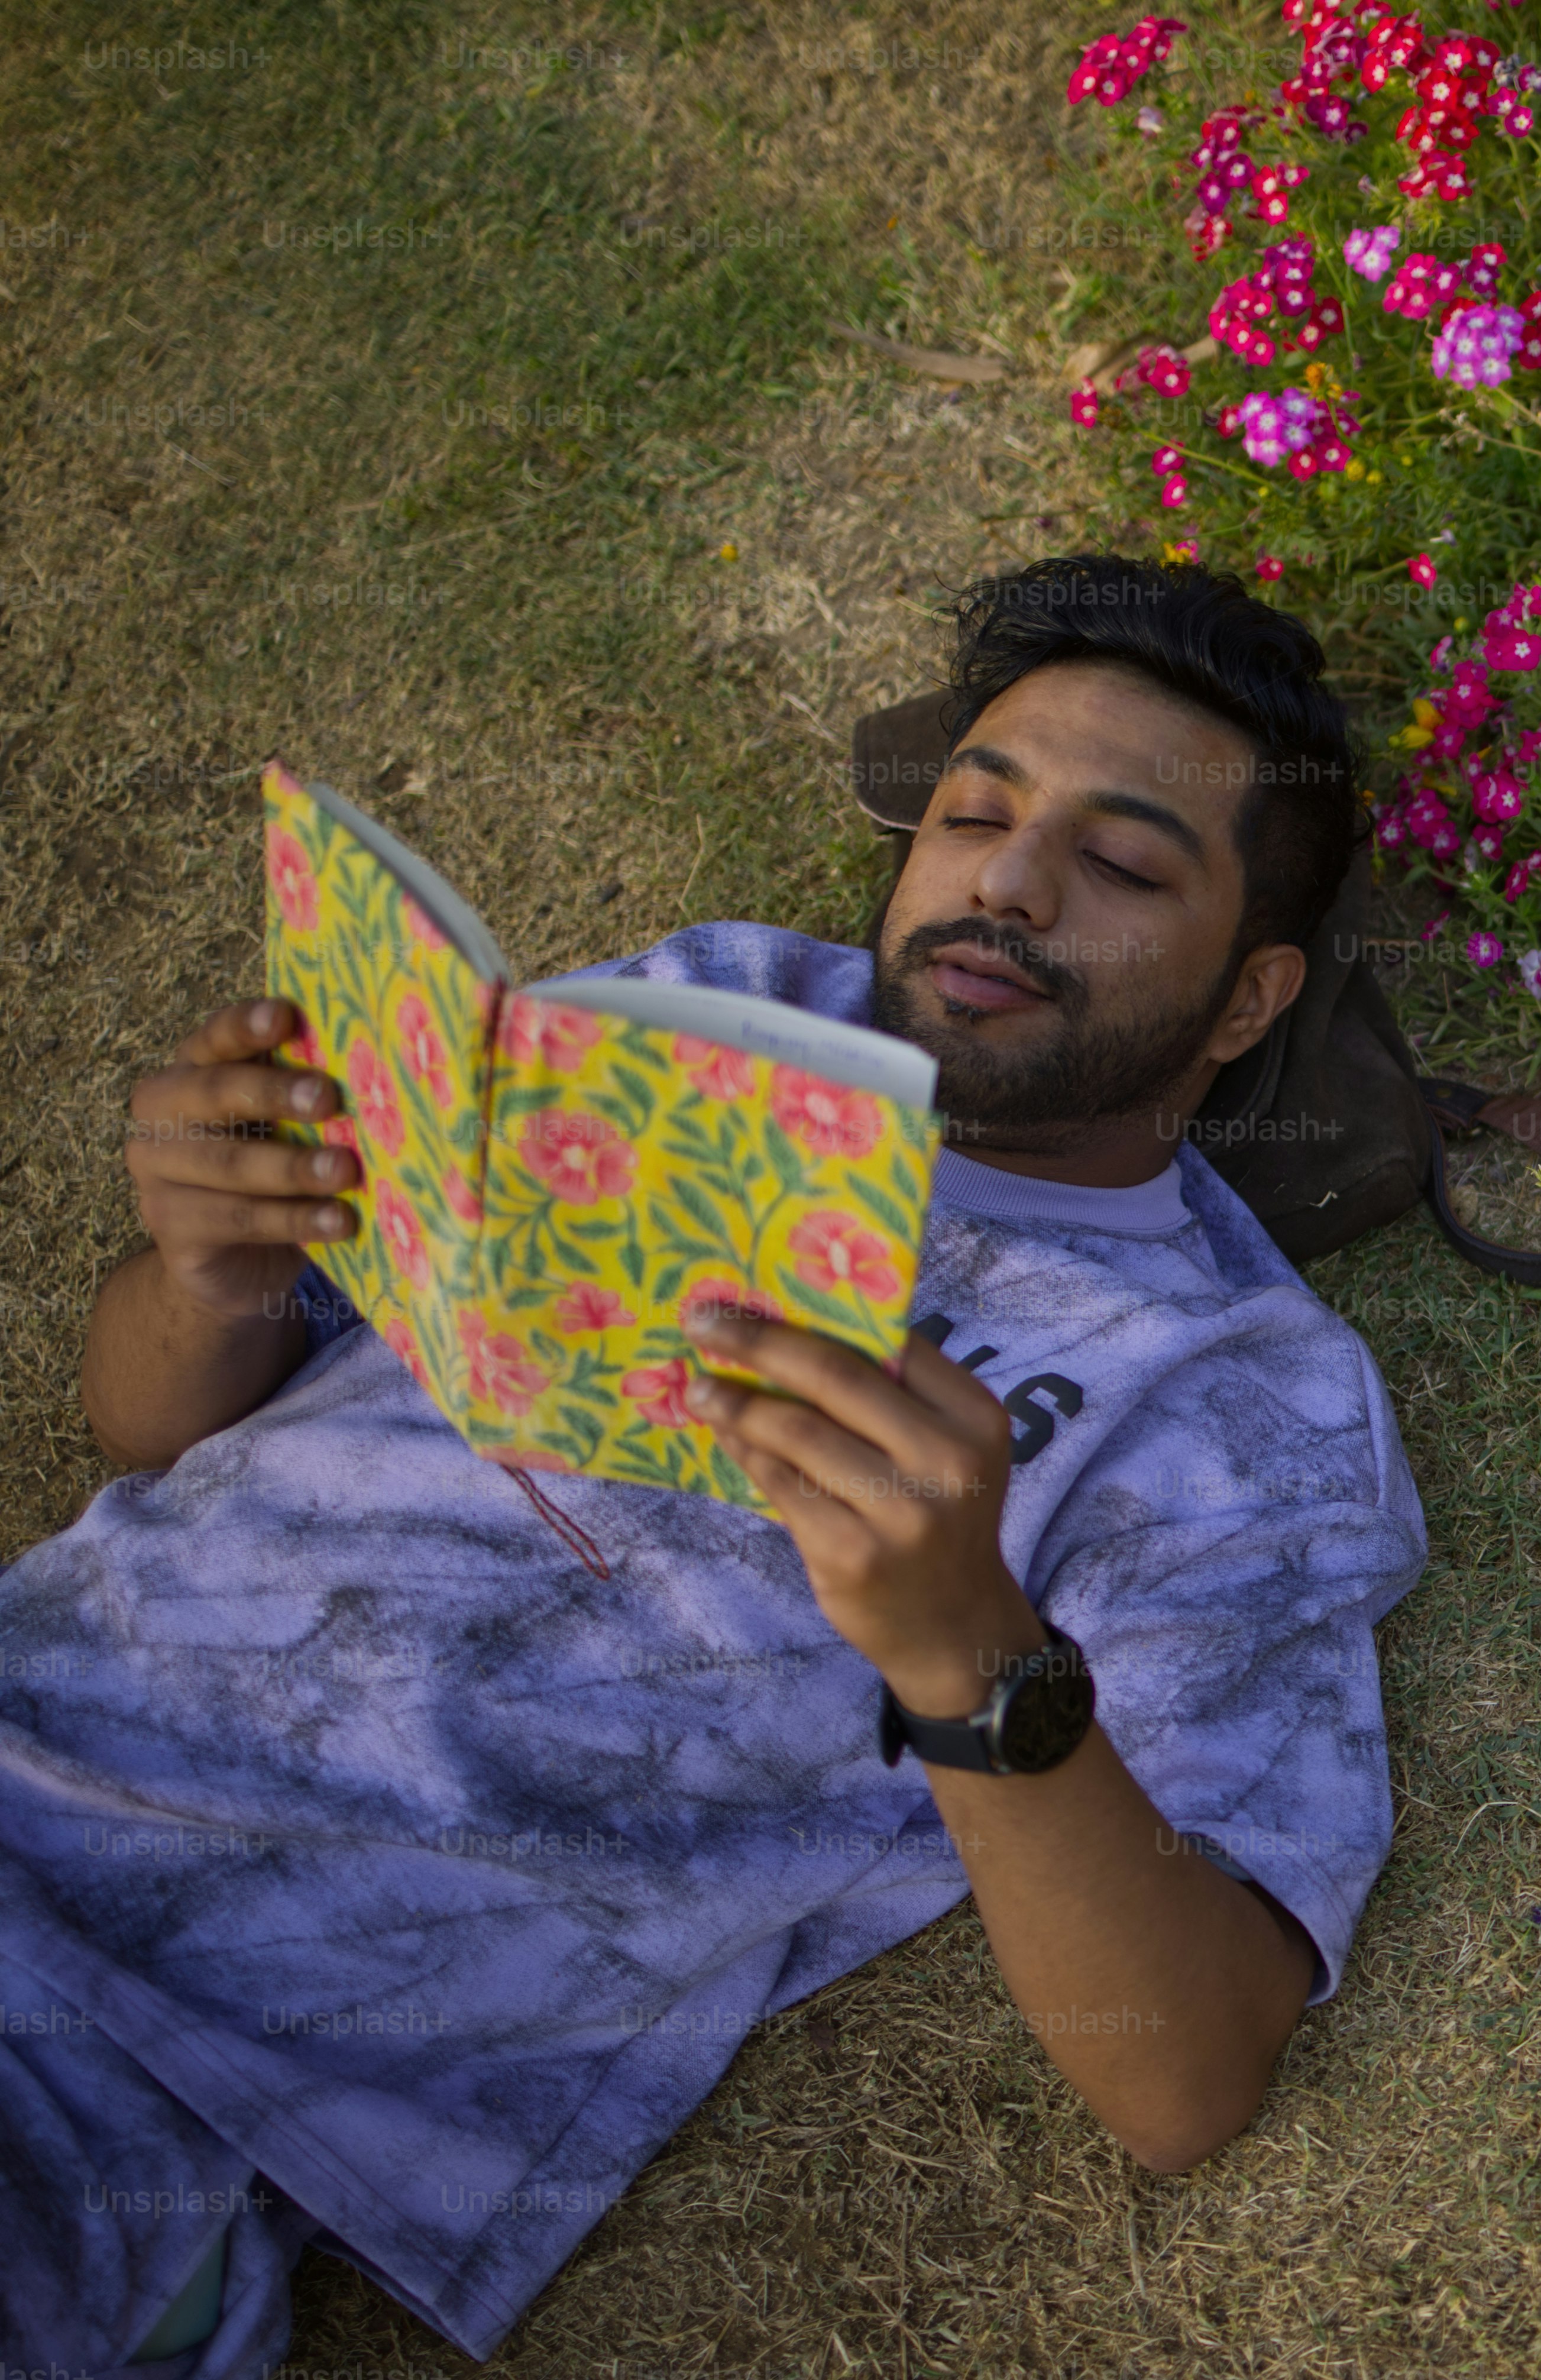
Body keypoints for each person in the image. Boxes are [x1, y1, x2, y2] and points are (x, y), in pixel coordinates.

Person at [1, 559, 1423, 2375]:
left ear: (1247, 1004)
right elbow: (162, 1433)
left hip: (148, 2051)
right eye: (974, 810)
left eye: (1126, 864)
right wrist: (214, 1267)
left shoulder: (1239, 1390)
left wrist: (967, 1650)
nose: (1005, 878)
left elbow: (1186, 2074)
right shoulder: (712, 1002)